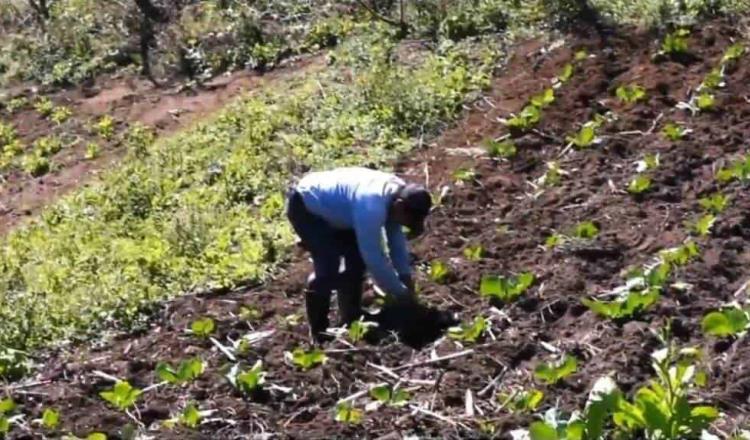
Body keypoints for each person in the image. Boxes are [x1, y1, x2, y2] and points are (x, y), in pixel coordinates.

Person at [285, 166, 432, 343]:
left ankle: (351, 316)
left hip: (341, 210)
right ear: (400, 207)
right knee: (328, 266)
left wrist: (406, 279)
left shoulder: (398, 195)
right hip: (307, 206)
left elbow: (396, 243)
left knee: (356, 260)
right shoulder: (371, 207)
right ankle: (320, 332)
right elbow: (374, 258)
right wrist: (401, 294)